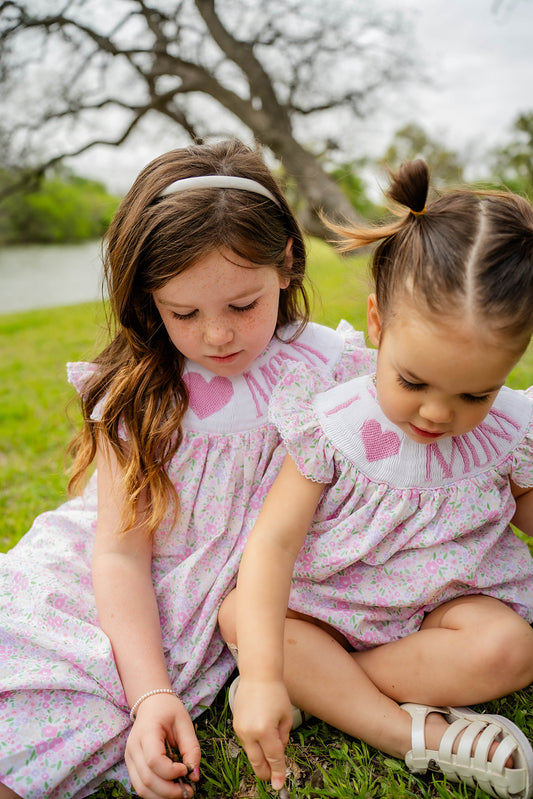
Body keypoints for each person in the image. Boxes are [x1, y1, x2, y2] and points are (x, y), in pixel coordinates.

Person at [0, 139, 376, 799]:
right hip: (101, 578)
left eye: (241, 304)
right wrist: (151, 693)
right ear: (148, 298)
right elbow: (116, 554)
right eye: (184, 313)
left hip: (202, 608)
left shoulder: (330, 369)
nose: (216, 335)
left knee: (61, 720)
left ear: (287, 262)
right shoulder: (141, 391)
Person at [219, 159, 533, 799]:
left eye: (477, 392)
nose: (439, 414)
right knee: (246, 622)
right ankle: (404, 732)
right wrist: (265, 673)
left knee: (510, 649)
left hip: (444, 609)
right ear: (377, 324)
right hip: (331, 609)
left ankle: (331, 689)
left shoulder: (513, 431)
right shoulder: (331, 418)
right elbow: (275, 544)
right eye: (413, 381)